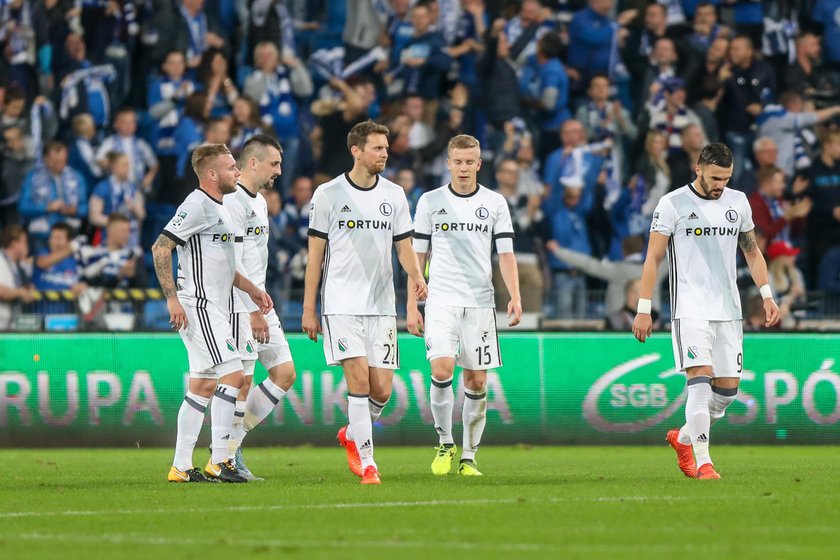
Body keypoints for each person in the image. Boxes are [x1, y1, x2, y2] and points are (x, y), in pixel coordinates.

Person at [632, 143, 780, 480]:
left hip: (728, 310)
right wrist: (644, 308)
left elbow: (752, 252)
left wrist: (767, 295)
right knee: (699, 382)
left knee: (726, 394)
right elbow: (653, 257)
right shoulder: (672, 204)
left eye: (726, 178)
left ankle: (684, 438)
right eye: (715, 178)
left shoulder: (738, 202)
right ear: (698, 168)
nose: (720, 185)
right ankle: (703, 462)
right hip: (690, 308)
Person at [302, 121, 428, 485]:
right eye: (377, 148)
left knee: (382, 390)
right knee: (357, 381)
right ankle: (369, 463)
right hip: (341, 303)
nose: (384, 154)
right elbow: (315, 255)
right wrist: (310, 308)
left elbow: (404, 246)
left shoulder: (394, 194)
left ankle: (352, 433)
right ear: (356, 151)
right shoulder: (327, 194)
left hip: (381, 304)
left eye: (386, 148)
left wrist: (417, 278)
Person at [151, 143, 272, 484]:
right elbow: (161, 247)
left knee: (202, 385)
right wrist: (172, 299)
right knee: (234, 376)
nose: (237, 172)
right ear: (212, 175)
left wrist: (251, 289)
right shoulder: (197, 204)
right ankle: (220, 460)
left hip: (214, 305)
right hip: (199, 305)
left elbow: (224, 265)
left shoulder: (219, 209)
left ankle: (180, 466)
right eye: (232, 167)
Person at [407, 134, 522, 477]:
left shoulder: (495, 203)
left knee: (476, 383)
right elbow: (417, 257)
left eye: (469, 162)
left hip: (480, 303)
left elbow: (506, 254)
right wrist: (412, 305)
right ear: (448, 163)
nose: (463, 168)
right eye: (457, 162)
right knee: (441, 369)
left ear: (479, 164)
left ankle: (469, 457)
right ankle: (445, 442)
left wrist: (514, 295)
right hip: (440, 299)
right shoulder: (430, 201)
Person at [222, 134, 297, 481]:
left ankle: (229, 444)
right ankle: (226, 455)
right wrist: (250, 309)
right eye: (274, 163)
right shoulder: (231, 200)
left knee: (284, 374)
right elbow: (230, 261)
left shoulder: (260, 202)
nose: (279, 170)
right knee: (243, 380)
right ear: (252, 163)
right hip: (239, 304)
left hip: (259, 301)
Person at [0, 225, 35, 330]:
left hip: (10, 325)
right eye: (24, 242)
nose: (27, 246)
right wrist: (20, 292)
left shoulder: (18, 265)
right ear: (14, 243)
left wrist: (27, 290)